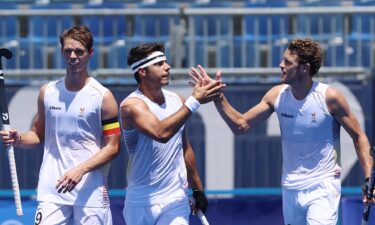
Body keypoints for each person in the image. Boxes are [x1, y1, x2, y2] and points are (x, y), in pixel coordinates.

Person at [189, 38, 374, 225]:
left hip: (323, 187)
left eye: (287, 62)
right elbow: (240, 125)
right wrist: (218, 97)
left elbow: (359, 137)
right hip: (290, 189)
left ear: (304, 68)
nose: (280, 65)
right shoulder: (276, 95)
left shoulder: (330, 98)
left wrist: (369, 180)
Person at [0, 25, 121, 225]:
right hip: (52, 191)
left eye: (79, 51)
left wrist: (79, 170)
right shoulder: (47, 92)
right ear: (61, 52)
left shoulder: (103, 97)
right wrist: (18, 139)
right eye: (68, 51)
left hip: (90, 192)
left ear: (90, 53)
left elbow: (113, 147)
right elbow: (38, 135)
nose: (73, 56)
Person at [119, 42, 224, 225]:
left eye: (165, 62)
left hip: (175, 199)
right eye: (159, 64)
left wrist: (198, 189)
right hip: (140, 201)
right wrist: (194, 101)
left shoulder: (177, 101)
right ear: (142, 71)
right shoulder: (131, 106)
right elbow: (161, 133)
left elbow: (183, 146)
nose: (168, 67)